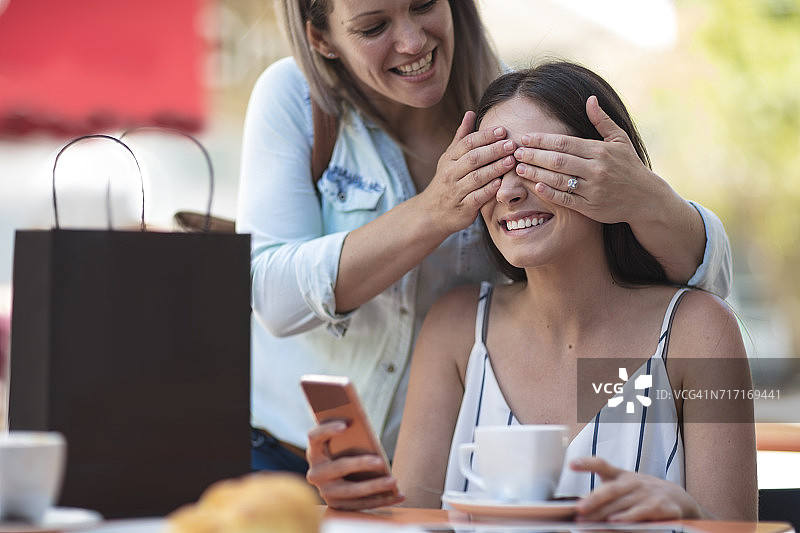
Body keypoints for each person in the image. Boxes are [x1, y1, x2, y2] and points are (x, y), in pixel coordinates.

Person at [236, 0, 733, 474]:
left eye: (424, 4)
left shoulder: (510, 105)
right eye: (373, 27)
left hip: (445, 469)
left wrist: (645, 198)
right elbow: (272, 298)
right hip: (283, 450)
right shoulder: (294, 99)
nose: (411, 41)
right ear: (321, 37)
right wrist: (432, 212)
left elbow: (708, 277)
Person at [304, 61, 757, 522]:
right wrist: (357, 506)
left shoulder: (698, 332)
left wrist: (688, 515)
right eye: (489, 168)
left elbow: (739, 529)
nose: (508, 192)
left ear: (611, 174)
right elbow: (412, 522)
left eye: (536, 162)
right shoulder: (456, 327)